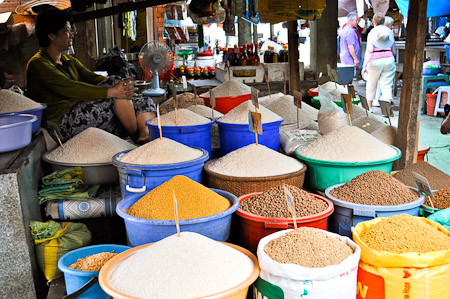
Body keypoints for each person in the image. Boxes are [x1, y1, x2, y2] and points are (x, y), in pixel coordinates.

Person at [26, 8, 156, 143]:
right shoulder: (38, 64)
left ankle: (145, 133)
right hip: (61, 124)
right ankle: (138, 138)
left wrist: (123, 86)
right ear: (51, 35)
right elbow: (71, 88)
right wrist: (113, 91)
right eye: (67, 31)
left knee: (141, 99)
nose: (72, 35)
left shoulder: (69, 62)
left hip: (80, 113)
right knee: (114, 95)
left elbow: (95, 79)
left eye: (71, 31)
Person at [362, 13, 396, 111]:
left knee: (371, 84)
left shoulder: (372, 32)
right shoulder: (389, 32)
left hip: (375, 60)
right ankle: (386, 111)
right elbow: (394, 50)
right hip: (389, 59)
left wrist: (364, 66)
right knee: (387, 85)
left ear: (374, 22)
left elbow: (369, 50)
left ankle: (370, 108)